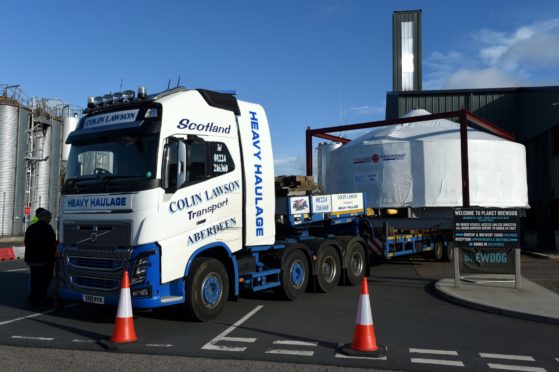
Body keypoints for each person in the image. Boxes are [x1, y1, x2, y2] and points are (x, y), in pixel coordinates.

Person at [24, 208, 57, 306]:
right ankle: (41, 298)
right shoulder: (48, 229)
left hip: (31, 259)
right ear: (45, 218)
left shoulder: (31, 227)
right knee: (44, 280)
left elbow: (26, 242)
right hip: (44, 260)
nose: (50, 219)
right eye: (49, 218)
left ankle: (33, 298)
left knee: (35, 279)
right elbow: (51, 245)